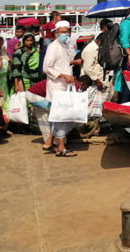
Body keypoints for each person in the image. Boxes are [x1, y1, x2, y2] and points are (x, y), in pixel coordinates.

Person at [42, 21, 78, 157]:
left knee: (58, 115)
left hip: (65, 85)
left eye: (66, 31)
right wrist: (63, 76)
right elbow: (47, 68)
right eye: (61, 32)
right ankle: (60, 147)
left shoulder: (65, 45)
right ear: (56, 33)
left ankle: (51, 140)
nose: (64, 34)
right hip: (57, 85)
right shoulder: (53, 47)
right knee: (61, 116)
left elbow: (63, 63)